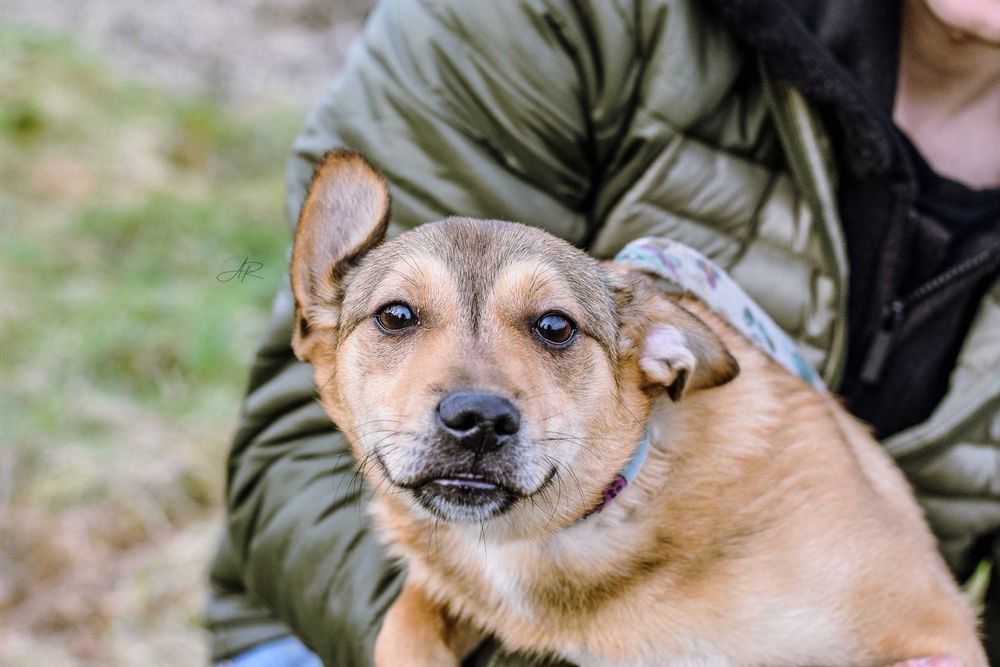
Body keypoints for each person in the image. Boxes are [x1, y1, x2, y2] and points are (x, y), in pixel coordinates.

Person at [205, 0, 1000, 664]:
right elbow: (292, 452)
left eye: (549, 327)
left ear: (664, 358)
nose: (476, 399)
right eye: (400, 318)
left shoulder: (751, 451)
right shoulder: (550, 19)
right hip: (319, 626)